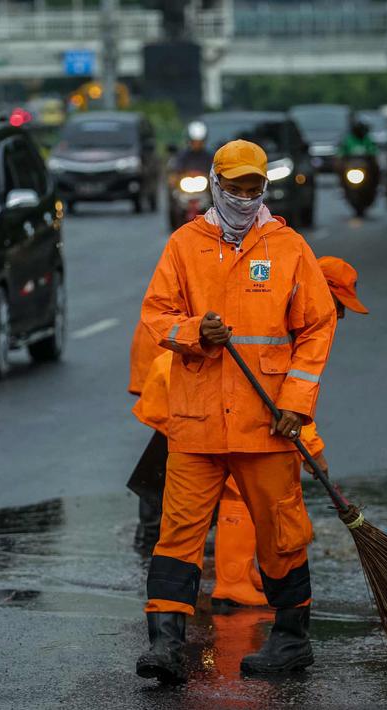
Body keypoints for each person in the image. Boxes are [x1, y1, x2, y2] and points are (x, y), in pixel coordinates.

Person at [135, 139, 336, 683]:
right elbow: (156, 316)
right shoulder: (184, 245)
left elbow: (317, 327)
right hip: (197, 424)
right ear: (216, 185)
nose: (246, 199)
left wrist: (296, 402)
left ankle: (292, 639)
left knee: (280, 535)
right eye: (236, 188)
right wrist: (194, 332)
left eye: (255, 189)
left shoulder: (288, 247)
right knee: (177, 535)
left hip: (266, 421)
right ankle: (165, 646)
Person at [131, 256, 368, 608]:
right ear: (322, 292)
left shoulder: (284, 298)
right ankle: (231, 583)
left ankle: (237, 573)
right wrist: (314, 453)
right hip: (188, 391)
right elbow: (273, 393)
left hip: (185, 384)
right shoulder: (283, 308)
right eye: (338, 305)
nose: (341, 315)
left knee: (188, 479)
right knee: (235, 493)